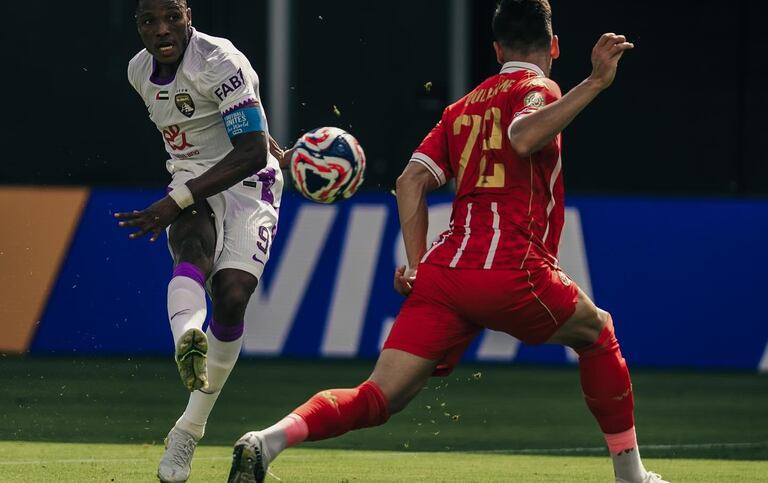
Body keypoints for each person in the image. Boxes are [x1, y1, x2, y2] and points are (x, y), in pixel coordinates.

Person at [228, 1, 668, 483]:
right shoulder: (539, 87)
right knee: (598, 334)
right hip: (513, 267)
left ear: (497, 50)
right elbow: (523, 137)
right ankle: (631, 476)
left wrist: (416, 266)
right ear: (555, 47)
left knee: (379, 396)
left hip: (445, 274)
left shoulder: (462, 108)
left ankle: (267, 440)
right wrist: (596, 82)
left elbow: (409, 181)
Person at [116, 1, 289, 481]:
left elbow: (251, 152)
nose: (161, 29)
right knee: (191, 246)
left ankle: (188, 429)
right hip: (193, 175)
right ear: (138, 27)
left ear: (188, 15)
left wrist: (173, 201)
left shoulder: (218, 59)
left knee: (232, 297)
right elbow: (207, 124)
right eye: (149, 21)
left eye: (172, 17)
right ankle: (188, 340)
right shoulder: (138, 72)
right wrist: (183, 196)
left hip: (251, 181)